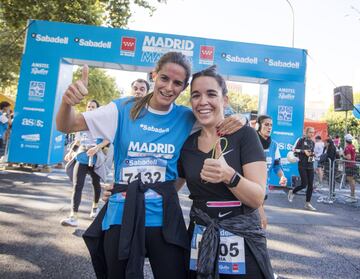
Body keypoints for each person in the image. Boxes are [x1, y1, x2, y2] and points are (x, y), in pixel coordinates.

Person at [56, 52, 244, 279]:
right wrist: (67, 103)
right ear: (154, 75)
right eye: (164, 78)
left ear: (183, 88)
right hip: (121, 215)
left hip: (164, 218)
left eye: (177, 83)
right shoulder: (123, 109)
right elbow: (67, 125)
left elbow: (217, 115)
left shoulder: (186, 117)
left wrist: (240, 118)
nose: (168, 87)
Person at [177, 66, 273, 278]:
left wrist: (229, 175)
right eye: (196, 95)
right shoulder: (187, 145)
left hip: (243, 240)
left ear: (225, 100)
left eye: (211, 94)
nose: (203, 101)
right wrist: (123, 189)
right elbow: (169, 188)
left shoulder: (245, 135)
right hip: (200, 238)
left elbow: (257, 197)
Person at [61, 100, 110, 227]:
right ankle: (73, 217)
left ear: (97, 109)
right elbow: (77, 141)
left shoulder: (101, 123)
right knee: (77, 186)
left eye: (93, 107)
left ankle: (94, 208)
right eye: (88, 106)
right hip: (82, 157)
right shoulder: (80, 122)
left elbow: (107, 139)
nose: (90, 108)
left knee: (96, 184)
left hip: (95, 158)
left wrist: (97, 147)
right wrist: (71, 151)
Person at [256, 115, 287, 229]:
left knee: (259, 217)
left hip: (264, 187)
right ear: (259, 126)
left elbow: (277, 166)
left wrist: (282, 176)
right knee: (257, 215)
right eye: (266, 124)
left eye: (271, 125)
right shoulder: (252, 141)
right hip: (250, 185)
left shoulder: (274, 145)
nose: (269, 127)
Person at [288, 127, 317, 211]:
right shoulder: (301, 140)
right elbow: (294, 150)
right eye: (310, 132)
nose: (312, 134)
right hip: (302, 165)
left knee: (311, 185)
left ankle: (307, 203)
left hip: (310, 165)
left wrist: (313, 155)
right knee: (304, 184)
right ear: (306, 132)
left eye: (313, 132)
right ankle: (292, 191)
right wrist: (303, 152)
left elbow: (311, 152)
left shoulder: (312, 142)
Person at [343, 134, 357, 203]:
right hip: (353, 165)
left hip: (349, 165)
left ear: (346, 140)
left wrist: (342, 155)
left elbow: (349, 157)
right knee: (352, 181)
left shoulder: (347, 147)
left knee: (351, 181)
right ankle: (352, 195)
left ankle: (352, 196)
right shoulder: (353, 146)